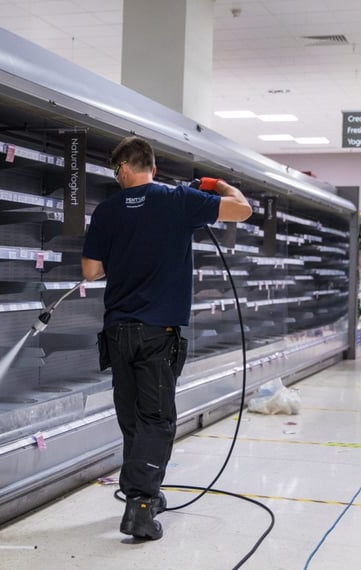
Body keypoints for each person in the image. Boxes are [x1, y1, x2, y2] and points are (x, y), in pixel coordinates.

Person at [81, 136, 252, 540]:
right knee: (156, 420)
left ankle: (142, 494)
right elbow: (242, 210)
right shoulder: (178, 200)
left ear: (123, 169)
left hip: (118, 333)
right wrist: (218, 186)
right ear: (152, 167)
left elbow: (90, 272)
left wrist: (125, 256)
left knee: (133, 420)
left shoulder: (106, 211)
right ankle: (140, 507)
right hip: (159, 334)